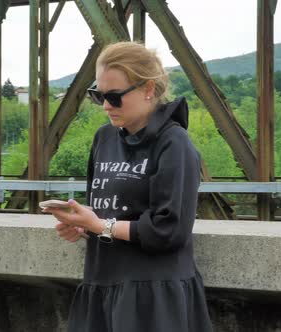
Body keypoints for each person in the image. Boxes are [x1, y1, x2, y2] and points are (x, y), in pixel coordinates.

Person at [44, 41, 213, 332]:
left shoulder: (175, 144)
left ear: (148, 90)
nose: (106, 106)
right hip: (102, 284)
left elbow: (169, 230)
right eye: (98, 96)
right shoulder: (104, 139)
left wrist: (101, 226)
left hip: (152, 299)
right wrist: (84, 224)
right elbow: (109, 213)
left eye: (115, 96)